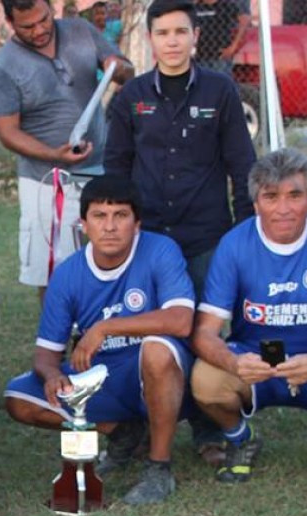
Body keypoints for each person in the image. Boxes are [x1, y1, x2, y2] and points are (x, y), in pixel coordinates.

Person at [104, 0, 256, 464]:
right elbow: (116, 169)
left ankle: (209, 428)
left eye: (180, 32)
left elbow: (242, 165)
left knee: (206, 333)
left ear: (195, 37)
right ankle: (136, 425)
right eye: (163, 33)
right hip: (149, 239)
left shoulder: (220, 90)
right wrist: (123, 232)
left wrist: (243, 233)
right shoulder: (131, 97)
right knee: (145, 334)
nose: (171, 41)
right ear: (150, 39)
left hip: (207, 235)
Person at [4, 175, 195, 504]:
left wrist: (105, 328)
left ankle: (159, 467)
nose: (109, 227)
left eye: (120, 215)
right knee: (19, 398)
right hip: (104, 378)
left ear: (137, 223)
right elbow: (45, 355)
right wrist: (52, 375)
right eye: (99, 216)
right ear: (83, 225)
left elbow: (181, 320)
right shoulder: (68, 273)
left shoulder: (160, 250)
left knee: (156, 349)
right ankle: (122, 433)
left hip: (161, 375)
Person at [190, 148, 307, 489]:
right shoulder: (234, 244)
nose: (283, 208)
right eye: (271, 197)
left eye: (295, 195)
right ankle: (240, 439)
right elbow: (205, 334)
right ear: (256, 204)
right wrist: (233, 362)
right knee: (205, 378)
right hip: (255, 357)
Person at [0, 0, 134, 294]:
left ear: (50, 8)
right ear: (10, 23)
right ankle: (57, 325)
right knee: (53, 271)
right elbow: (8, 132)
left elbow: (126, 71)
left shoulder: (81, 30)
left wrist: (117, 67)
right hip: (45, 179)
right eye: (28, 26)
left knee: (113, 257)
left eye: (44, 19)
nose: (39, 30)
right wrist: (54, 154)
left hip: (100, 169)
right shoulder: (3, 65)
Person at [193, 0, 249, 77]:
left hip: (220, 56)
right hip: (201, 56)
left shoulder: (226, 5)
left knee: (221, 80)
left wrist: (233, 46)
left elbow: (245, 19)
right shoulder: (197, 7)